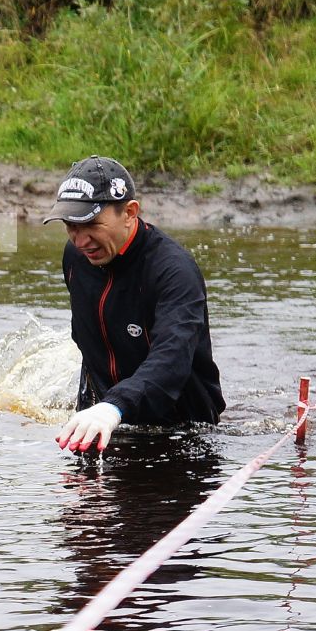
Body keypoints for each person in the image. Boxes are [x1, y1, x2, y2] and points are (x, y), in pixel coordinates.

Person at [43, 155, 224, 451]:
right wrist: (92, 409)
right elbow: (89, 347)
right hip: (102, 425)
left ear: (129, 212)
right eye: (70, 225)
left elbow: (171, 359)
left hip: (180, 436)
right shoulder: (76, 258)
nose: (79, 240)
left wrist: (114, 406)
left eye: (90, 224)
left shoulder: (174, 271)